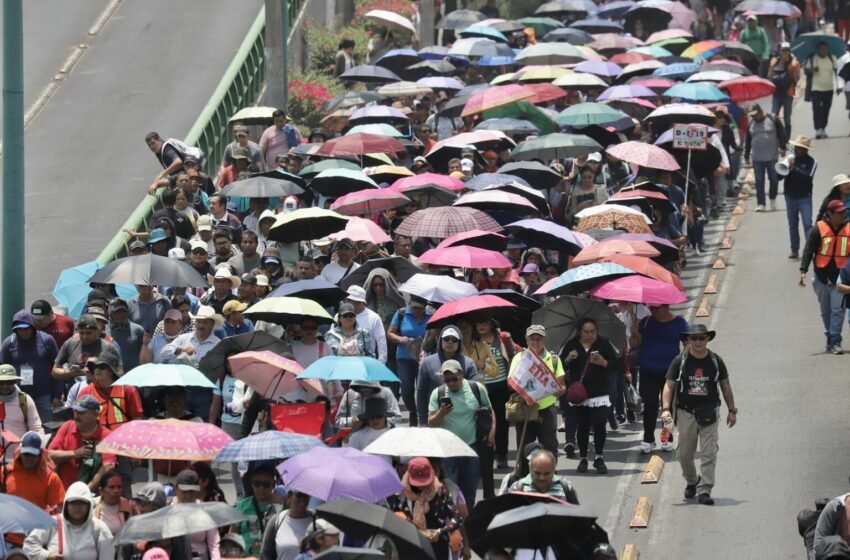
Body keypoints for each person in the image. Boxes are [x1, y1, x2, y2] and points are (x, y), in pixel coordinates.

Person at [661, 325, 737, 506]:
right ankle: (692, 481)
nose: (697, 342)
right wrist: (666, 409)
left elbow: (725, 386)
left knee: (709, 453)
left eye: (701, 338)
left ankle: (705, 490)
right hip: (686, 413)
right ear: (688, 340)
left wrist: (732, 410)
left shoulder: (716, 361)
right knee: (684, 454)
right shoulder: (680, 361)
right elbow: (669, 386)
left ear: (707, 339)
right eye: (693, 338)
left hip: (709, 413)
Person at [428, 359, 494, 508]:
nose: (451, 383)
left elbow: (489, 411)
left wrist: (492, 432)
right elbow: (431, 422)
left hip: (471, 448)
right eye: (447, 380)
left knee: (469, 491)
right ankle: (454, 520)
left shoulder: (476, 388)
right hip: (448, 452)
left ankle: (467, 520)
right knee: (451, 492)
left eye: (454, 379)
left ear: (461, 374)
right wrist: (441, 413)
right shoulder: (437, 393)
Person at [629, 304, 689, 454]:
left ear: (666, 306)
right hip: (647, 370)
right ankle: (648, 439)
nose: (653, 310)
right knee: (650, 405)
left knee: (667, 407)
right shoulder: (645, 322)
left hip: (670, 373)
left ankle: (666, 437)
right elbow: (635, 344)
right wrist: (634, 334)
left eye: (657, 307)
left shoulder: (679, 323)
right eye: (652, 307)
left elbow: (687, 344)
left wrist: (681, 362)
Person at [562, 319, 618, 475]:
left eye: (593, 331)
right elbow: (560, 366)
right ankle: (583, 458)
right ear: (580, 332)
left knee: (600, 424)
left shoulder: (603, 343)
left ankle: (599, 456)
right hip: (580, 393)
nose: (590, 335)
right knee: (583, 426)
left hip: (600, 391)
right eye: (586, 332)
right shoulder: (572, 344)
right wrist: (568, 358)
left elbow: (615, 364)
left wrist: (604, 362)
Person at [800, 198, 850, 354]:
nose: (843, 215)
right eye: (839, 213)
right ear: (830, 214)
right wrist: (803, 270)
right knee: (826, 311)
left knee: (838, 311)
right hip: (821, 278)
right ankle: (830, 336)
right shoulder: (819, 229)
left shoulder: (848, 229)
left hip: (840, 279)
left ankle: (835, 341)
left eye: (844, 212)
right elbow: (808, 250)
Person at [507, 325, 564, 460]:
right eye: (532, 339)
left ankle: (550, 472)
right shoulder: (519, 358)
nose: (535, 342)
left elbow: (561, 385)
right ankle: (525, 473)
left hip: (546, 410)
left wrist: (560, 390)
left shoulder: (554, 359)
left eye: (539, 339)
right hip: (525, 409)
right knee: (524, 450)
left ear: (544, 340)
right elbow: (510, 385)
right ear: (526, 340)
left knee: (550, 447)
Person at [389, 457, 461, 560]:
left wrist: (440, 532)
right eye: (418, 483)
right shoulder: (401, 493)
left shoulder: (441, 491)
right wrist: (408, 522)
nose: (422, 487)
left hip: (437, 548)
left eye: (425, 483)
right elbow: (395, 516)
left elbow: (457, 517)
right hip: (411, 547)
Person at [23, 480, 115, 560]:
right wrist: (47, 555)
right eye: (73, 502)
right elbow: (29, 546)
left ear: (89, 506)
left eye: (82, 503)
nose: (77, 507)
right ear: (66, 505)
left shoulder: (100, 528)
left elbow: (108, 557)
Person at [0, 309, 60, 424]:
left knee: (45, 427)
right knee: (17, 428)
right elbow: (2, 370)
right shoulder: (9, 343)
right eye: (19, 329)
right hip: (17, 396)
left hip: (43, 395)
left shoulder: (47, 340)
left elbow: (57, 367)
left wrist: (58, 394)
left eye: (26, 328)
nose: (23, 332)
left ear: (33, 326)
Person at [48, 395, 118, 491]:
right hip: (64, 492)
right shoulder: (67, 426)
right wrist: (74, 454)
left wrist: (86, 490)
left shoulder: (106, 436)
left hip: (93, 495)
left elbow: (108, 466)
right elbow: (48, 455)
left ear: (95, 414)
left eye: (81, 412)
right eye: (75, 411)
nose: (76, 415)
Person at [473, 319, 518, 469]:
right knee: (483, 422)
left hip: (501, 386)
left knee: (502, 422)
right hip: (481, 387)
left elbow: (513, 358)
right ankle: (486, 455)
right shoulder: (472, 340)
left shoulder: (503, 338)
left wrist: (512, 380)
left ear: (491, 324)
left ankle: (501, 455)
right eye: (479, 323)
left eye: (484, 323)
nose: (481, 325)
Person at [416, 325, 479, 427]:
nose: (450, 342)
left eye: (454, 340)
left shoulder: (468, 363)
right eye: (446, 339)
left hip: (463, 419)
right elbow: (421, 393)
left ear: (459, 343)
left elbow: (476, 392)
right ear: (440, 340)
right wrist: (422, 421)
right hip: (436, 419)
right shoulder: (428, 363)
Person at [387, 297, 430, 427]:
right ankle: (412, 411)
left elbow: (435, 333)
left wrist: (427, 339)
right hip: (404, 357)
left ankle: (423, 416)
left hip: (424, 358)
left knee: (422, 389)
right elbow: (390, 333)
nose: (416, 311)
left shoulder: (431, 314)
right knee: (406, 390)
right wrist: (399, 338)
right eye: (414, 308)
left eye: (420, 309)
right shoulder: (401, 313)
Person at [0, 431, 65, 511]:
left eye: (33, 455)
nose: (29, 458)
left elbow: (59, 508)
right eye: (26, 454)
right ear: (20, 453)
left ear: (41, 454)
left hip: (38, 519)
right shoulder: (5, 472)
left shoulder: (51, 478)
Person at [78, 352, 144, 430]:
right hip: (97, 437)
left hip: (122, 435)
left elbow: (136, 418)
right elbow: (80, 419)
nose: (97, 370)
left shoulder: (128, 390)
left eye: (102, 367)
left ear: (112, 371)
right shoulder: (86, 392)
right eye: (95, 367)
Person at [52, 314, 123, 383]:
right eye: (81, 333)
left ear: (97, 331)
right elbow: (55, 371)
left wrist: (96, 373)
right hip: (75, 389)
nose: (84, 337)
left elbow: (119, 373)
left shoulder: (108, 347)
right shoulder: (70, 344)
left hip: (101, 389)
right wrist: (70, 373)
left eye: (88, 333)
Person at [744, 103, 785, 212]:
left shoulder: (773, 119)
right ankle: (761, 203)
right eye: (752, 115)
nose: (754, 117)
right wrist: (746, 155)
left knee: (774, 179)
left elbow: (781, 133)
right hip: (757, 158)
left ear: (761, 112)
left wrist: (783, 147)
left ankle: (772, 197)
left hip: (772, 156)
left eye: (755, 114)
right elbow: (747, 140)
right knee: (759, 181)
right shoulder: (751, 124)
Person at [235, 464, 282, 556]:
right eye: (257, 484)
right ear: (251, 484)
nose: (261, 488)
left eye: (266, 484)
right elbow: (233, 536)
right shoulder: (242, 506)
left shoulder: (280, 506)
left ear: (273, 485)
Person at [173, 469, 221, 560]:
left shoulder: (205, 511)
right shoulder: (168, 511)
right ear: (175, 488)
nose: (188, 496)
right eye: (184, 491)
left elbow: (214, 544)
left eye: (191, 492)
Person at [783, 135, 817, 259]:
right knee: (792, 224)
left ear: (806, 149)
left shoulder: (812, 162)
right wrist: (785, 165)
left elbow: (807, 177)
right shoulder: (790, 159)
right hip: (790, 196)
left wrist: (794, 168)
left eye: (800, 147)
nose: (797, 149)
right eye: (796, 147)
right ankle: (794, 250)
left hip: (805, 197)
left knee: (807, 224)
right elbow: (779, 176)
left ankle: (809, 251)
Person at [0, 365, 44, 459]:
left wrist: (37, 451)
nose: (5, 386)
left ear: (15, 382)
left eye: (9, 382)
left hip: (19, 459)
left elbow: (36, 429)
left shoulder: (25, 400)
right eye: (1, 383)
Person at [507, 448, 579, 504]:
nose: (542, 478)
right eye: (537, 473)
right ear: (530, 470)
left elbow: (575, 514)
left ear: (554, 471)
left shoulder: (566, 488)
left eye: (547, 473)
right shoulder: (517, 489)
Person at [259, 490, 313, 560]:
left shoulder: (315, 521)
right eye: (299, 495)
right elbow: (265, 554)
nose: (303, 499)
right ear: (289, 496)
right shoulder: (276, 521)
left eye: (306, 495)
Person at [334, 380, 401, 429]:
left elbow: (397, 418)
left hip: (381, 438)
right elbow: (338, 421)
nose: (366, 391)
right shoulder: (350, 394)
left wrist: (381, 421)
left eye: (369, 388)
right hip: (356, 439)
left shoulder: (386, 393)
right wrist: (352, 421)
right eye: (362, 387)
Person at [806, 41, 839, 138]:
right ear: (818, 50)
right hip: (816, 88)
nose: (823, 51)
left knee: (826, 109)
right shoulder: (813, 58)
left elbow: (837, 72)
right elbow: (806, 71)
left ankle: (823, 128)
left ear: (827, 49)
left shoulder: (832, 58)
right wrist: (812, 69)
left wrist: (839, 86)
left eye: (825, 49)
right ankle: (817, 129)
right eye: (821, 49)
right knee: (816, 109)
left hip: (829, 88)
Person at [345, 285, 387, 363]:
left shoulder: (374, 318)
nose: (347, 302)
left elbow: (381, 341)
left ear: (359, 302)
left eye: (350, 300)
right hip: (344, 361)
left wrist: (381, 362)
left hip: (366, 361)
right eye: (347, 299)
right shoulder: (339, 316)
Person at [769, 42, 802, 137]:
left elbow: (796, 79)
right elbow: (769, 77)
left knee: (787, 119)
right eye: (783, 50)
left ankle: (787, 138)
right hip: (776, 93)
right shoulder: (775, 62)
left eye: (787, 50)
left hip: (788, 93)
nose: (785, 53)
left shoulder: (794, 63)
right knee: (774, 116)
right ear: (780, 51)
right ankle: (776, 137)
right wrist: (772, 67)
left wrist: (794, 68)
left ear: (790, 51)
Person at [106, 299, 146, 373]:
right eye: (117, 312)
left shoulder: (138, 330)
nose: (121, 315)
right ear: (110, 313)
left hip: (134, 373)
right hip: (112, 374)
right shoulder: (105, 331)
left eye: (123, 311)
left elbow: (144, 352)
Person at [92, 470, 134, 535]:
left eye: (119, 487)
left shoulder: (127, 506)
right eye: (111, 487)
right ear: (101, 490)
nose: (116, 491)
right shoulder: (92, 506)